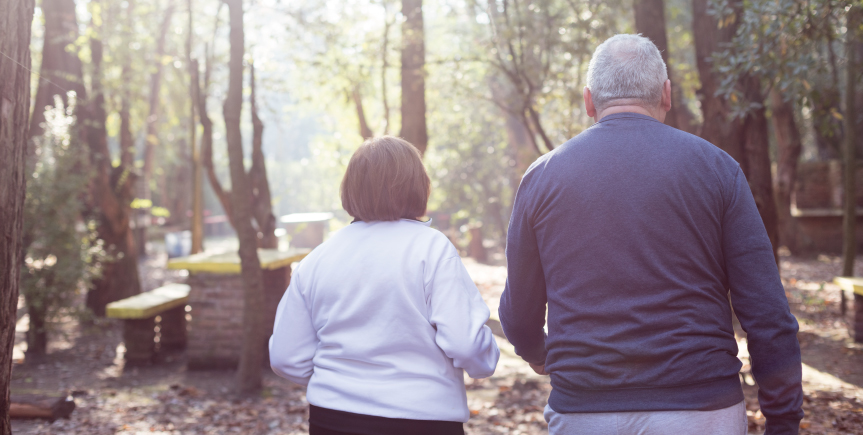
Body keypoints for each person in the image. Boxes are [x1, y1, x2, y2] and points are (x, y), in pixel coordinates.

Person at [499, 34, 803, 435]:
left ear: (589, 101)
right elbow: (767, 312)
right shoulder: (717, 169)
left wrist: (536, 351)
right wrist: (783, 420)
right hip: (701, 411)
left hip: (584, 411)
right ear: (666, 94)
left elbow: (517, 311)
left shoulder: (542, 177)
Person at [269, 136, 500, 435]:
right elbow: (465, 342)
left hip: (333, 419)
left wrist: (338, 381)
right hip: (422, 419)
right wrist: (485, 363)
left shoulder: (318, 259)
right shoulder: (431, 248)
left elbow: (286, 357)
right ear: (419, 186)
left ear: (350, 188)